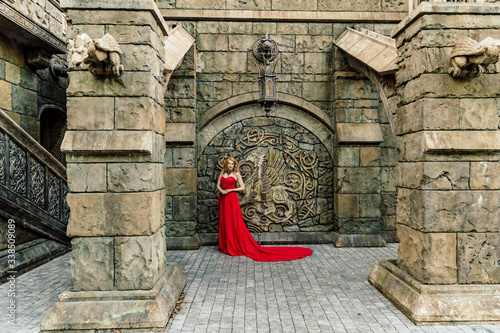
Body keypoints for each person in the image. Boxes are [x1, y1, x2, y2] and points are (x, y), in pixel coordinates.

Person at [216, 156, 313, 262]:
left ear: (234, 165)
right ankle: (225, 245)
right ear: (226, 164)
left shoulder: (237, 174)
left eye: (232, 164)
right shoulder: (222, 173)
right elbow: (218, 185)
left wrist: (229, 190)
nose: (230, 165)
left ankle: (233, 245)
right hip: (223, 198)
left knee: (233, 221)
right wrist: (222, 190)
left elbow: (242, 187)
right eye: (229, 163)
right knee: (224, 220)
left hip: (231, 198)